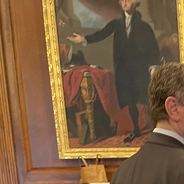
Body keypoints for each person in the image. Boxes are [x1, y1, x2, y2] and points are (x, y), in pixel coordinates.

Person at [68, 0, 160, 143]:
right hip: (125, 71)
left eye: (128, 0)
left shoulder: (144, 27)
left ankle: (156, 130)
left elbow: (153, 48)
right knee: (130, 101)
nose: (124, 3)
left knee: (147, 99)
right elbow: (102, 33)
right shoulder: (116, 24)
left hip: (140, 70)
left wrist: (154, 67)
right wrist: (84, 39)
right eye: (122, 0)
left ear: (135, 3)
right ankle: (136, 129)